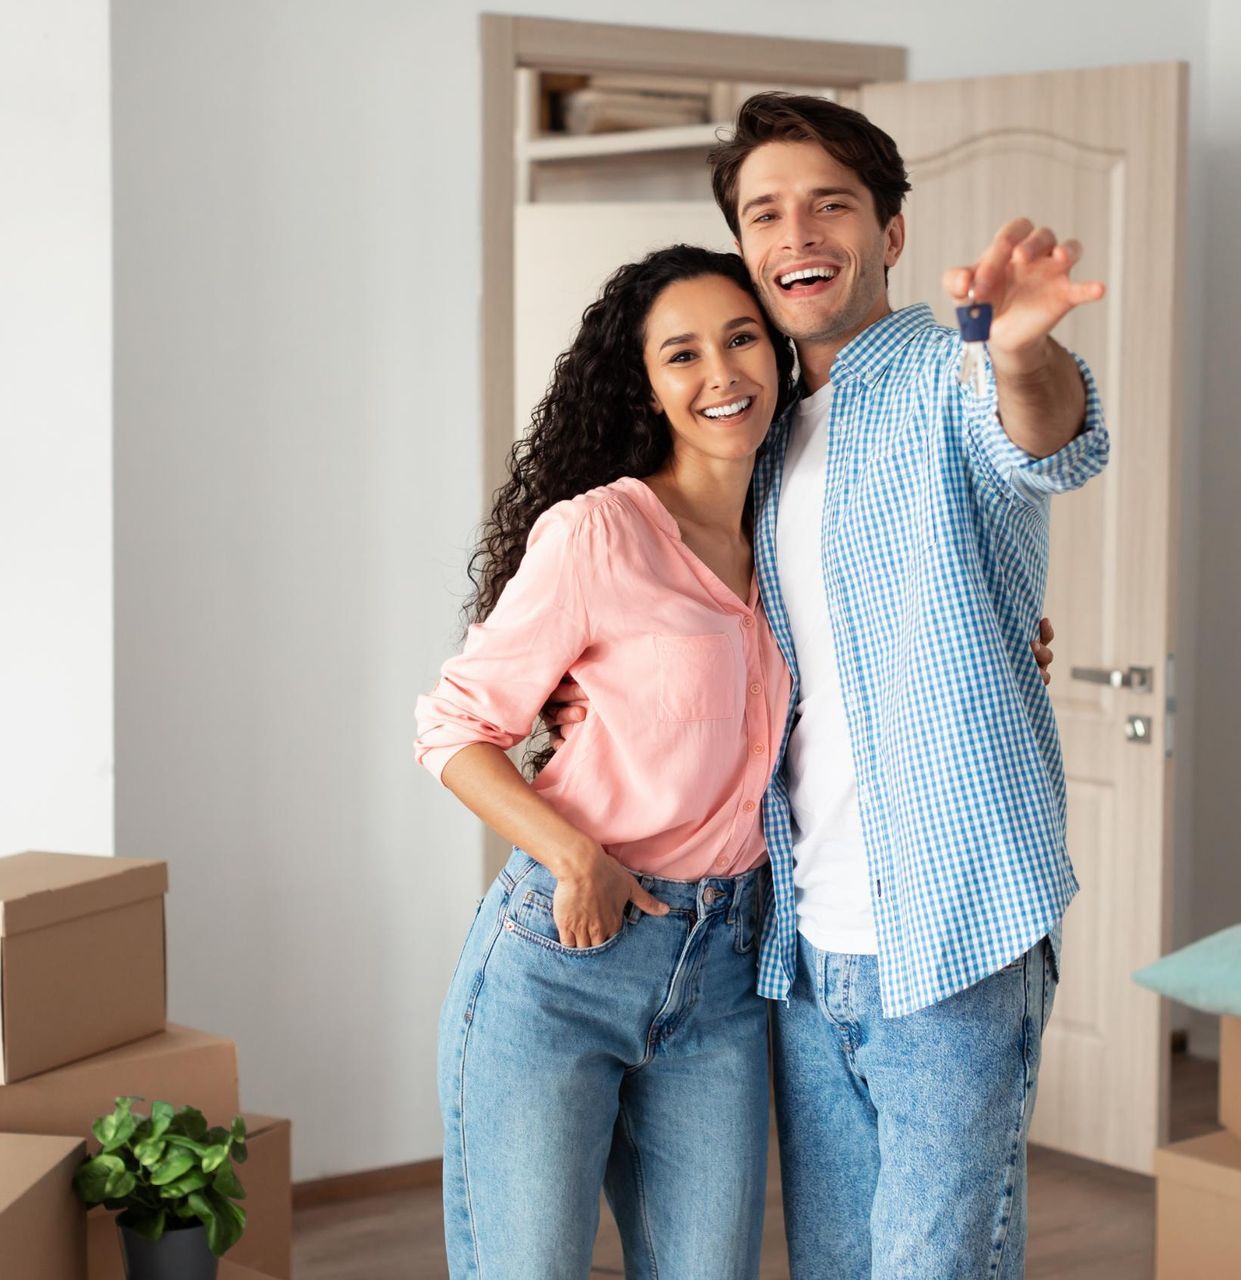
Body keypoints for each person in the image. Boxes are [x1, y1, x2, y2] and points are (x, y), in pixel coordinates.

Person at [715, 92, 1110, 1278]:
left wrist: (1022, 350)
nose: (799, 233)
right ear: (743, 249)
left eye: (832, 203)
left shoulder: (952, 375)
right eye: (766, 212)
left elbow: (1041, 435)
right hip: (806, 939)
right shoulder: (763, 435)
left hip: (949, 929)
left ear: (889, 233)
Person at [414, 246, 794, 1280]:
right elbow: (452, 728)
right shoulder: (600, 532)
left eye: (742, 336)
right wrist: (577, 857)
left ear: (778, 351)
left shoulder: (800, 533)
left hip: (723, 969)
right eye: (683, 353)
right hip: (562, 958)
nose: (722, 372)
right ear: (651, 387)